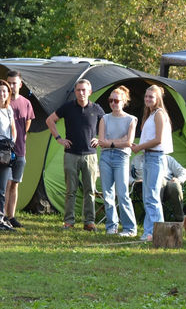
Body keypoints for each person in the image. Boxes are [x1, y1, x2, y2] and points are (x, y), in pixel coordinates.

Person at [47, 79, 105, 231]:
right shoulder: (68, 107)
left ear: (90, 92)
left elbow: (107, 124)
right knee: (70, 190)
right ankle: (69, 221)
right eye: (78, 90)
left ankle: (89, 222)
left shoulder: (97, 109)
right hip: (71, 154)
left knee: (90, 190)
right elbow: (50, 120)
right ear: (75, 91)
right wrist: (59, 139)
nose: (81, 93)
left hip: (90, 155)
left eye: (84, 90)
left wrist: (100, 139)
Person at [131, 85, 173, 242]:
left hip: (156, 157)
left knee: (152, 197)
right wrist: (140, 147)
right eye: (146, 96)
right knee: (148, 197)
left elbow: (158, 140)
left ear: (158, 99)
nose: (148, 99)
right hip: (149, 157)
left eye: (151, 97)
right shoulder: (151, 114)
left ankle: (158, 233)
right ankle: (150, 232)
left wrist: (140, 147)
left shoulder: (159, 114)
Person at [97, 85, 138, 236]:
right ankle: (111, 226)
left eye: (116, 101)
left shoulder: (131, 119)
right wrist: (120, 140)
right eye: (111, 100)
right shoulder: (104, 118)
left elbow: (129, 142)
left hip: (122, 157)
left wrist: (112, 143)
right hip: (106, 157)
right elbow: (101, 142)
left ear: (124, 102)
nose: (113, 103)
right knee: (107, 194)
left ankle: (130, 228)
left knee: (122, 193)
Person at [5, 70, 35, 228]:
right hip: (4, 151)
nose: (11, 86)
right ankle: (3, 216)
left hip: (20, 150)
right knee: (6, 183)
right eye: (9, 83)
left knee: (15, 183)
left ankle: (11, 217)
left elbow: (27, 123)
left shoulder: (26, 103)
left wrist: (20, 139)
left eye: (14, 83)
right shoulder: (3, 102)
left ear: (20, 85)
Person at [130, 153, 186, 222]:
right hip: (144, 187)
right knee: (158, 180)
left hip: (166, 187)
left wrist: (178, 179)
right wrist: (134, 181)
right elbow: (126, 177)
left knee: (174, 185)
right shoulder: (137, 159)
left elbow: (185, 172)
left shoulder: (167, 158)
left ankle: (180, 219)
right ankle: (157, 219)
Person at [0, 80, 17, 232]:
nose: (2, 94)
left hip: (6, 151)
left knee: (2, 188)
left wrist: (12, 143)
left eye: (4, 91)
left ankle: (1, 219)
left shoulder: (9, 110)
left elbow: (13, 129)